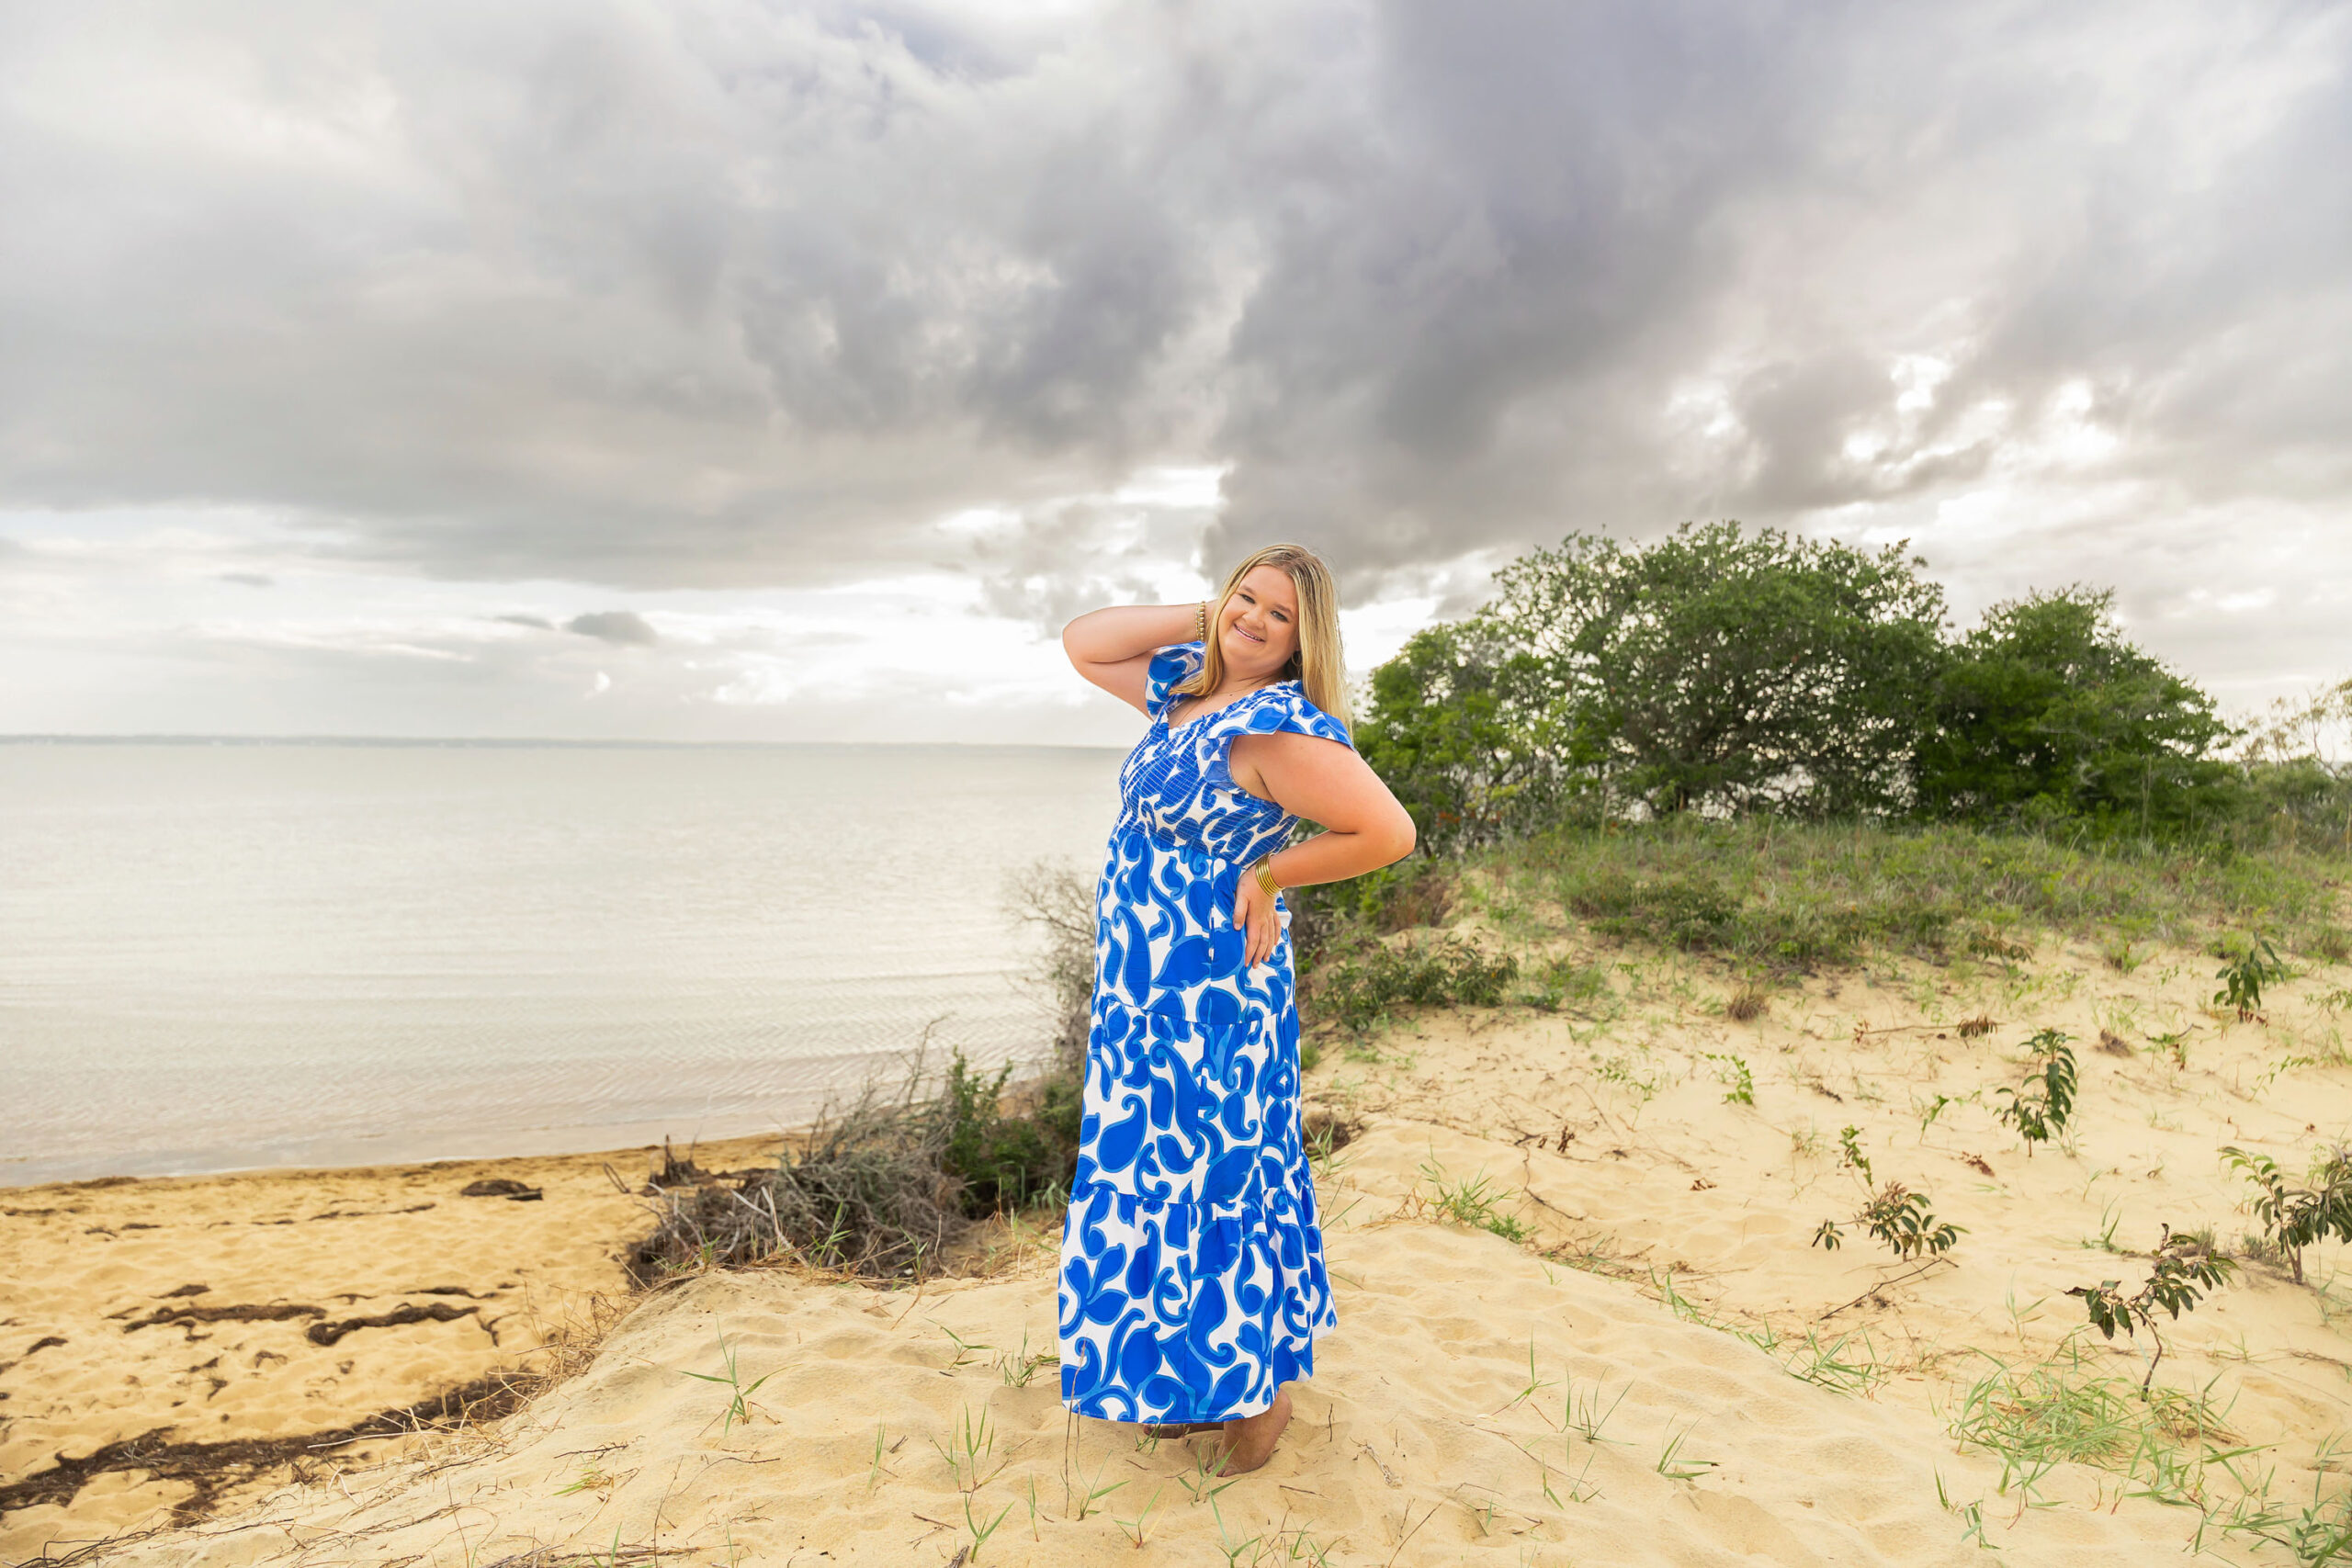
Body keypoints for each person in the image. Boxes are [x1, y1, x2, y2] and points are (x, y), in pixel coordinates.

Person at [1055, 543, 1417, 1475]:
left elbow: (1386, 831)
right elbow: (1084, 642)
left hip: (1208, 986)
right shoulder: (1185, 692)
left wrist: (1269, 870)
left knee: (1212, 1174)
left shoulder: (1274, 729)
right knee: (1151, 1178)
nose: (1254, 620)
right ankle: (1186, 1382)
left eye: (1277, 615)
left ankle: (1258, 1402)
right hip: (1140, 985)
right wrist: (1209, 616)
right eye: (1245, 600)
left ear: (1306, 642)